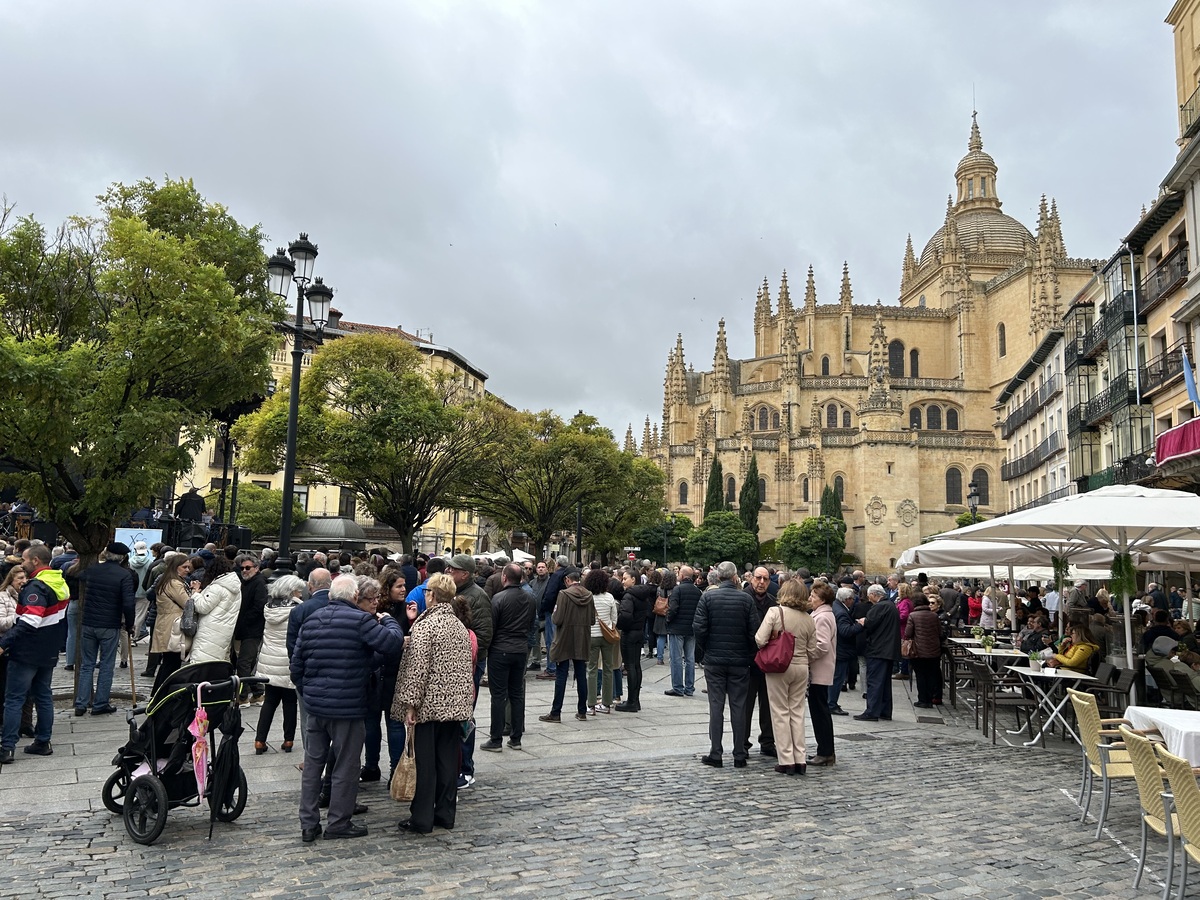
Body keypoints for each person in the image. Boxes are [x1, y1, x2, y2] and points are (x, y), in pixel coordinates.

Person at [293, 573, 403, 842]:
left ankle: (308, 824)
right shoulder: (360, 620)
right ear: (355, 597)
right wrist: (389, 620)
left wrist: (309, 693)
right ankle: (338, 822)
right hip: (348, 706)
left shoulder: (311, 620)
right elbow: (391, 643)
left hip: (317, 707)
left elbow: (296, 666)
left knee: (313, 765)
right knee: (346, 765)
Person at [392, 572, 474, 834]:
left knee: (424, 763)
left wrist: (410, 705)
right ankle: (445, 813)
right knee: (448, 762)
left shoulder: (425, 626)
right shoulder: (459, 626)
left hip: (429, 705)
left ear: (432, 595)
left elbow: (417, 670)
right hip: (454, 707)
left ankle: (422, 817)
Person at [0, 545, 69, 763]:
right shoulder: (59, 582)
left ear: (36, 561)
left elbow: (30, 621)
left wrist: (5, 642)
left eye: (25, 559)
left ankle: (7, 747)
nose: (22, 562)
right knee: (43, 696)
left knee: (13, 699)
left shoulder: (35, 588)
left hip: (27, 651)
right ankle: (42, 741)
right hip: (48, 650)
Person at [693, 561, 760, 769]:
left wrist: (705, 651)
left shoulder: (708, 597)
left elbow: (699, 628)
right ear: (734, 577)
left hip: (715, 660)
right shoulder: (746, 599)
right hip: (740, 661)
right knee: (739, 706)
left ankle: (716, 752)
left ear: (718, 577)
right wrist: (748, 654)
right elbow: (754, 632)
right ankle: (739, 753)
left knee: (716, 705)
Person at [753, 578, 817, 774]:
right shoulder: (808, 618)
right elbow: (813, 651)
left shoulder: (775, 612)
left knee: (780, 712)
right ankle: (800, 758)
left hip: (779, 666)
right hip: (801, 667)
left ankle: (786, 759)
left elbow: (759, 639)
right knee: (797, 712)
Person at [445, 554, 492, 790]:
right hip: (456, 663)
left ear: (464, 573)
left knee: (464, 716)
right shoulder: (454, 591)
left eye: (452, 569)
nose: (447, 571)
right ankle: (455, 765)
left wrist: (464, 655)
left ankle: (466, 769)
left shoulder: (477, 596)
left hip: (469, 663)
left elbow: (484, 636)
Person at [75, 542, 136, 716]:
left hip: (89, 621)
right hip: (109, 624)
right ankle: (100, 703)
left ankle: (81, 703)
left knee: (87, 664)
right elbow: (128, 603)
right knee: (107, 665)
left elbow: (78, 575)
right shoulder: (124, 575)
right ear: (123, 557)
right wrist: (130, 624)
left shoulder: (93, 570)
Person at [481, 563, 536, 751]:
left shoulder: (498, 598)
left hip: (500, 649)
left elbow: (492, 626)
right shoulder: (530, 598)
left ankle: (496, 739)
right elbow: (530, 624)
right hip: (520, 649)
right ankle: (516, 737)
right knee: (517, 694)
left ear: (504, 577)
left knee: (498, 695)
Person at [255, 574, 305, 754]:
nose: (301, 593)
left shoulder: (268, 607)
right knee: (290, 702)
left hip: (269, 659)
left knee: (269, 701)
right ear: (292, 591)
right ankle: (288, 740)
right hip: (287, 660)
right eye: (298, 590)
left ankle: (260, 740)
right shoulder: (297, 609)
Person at [539, 568, 594, 723]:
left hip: (565, 638)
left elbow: (557, 619)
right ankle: (582, 710)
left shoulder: (564, 594)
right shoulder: (589, 595)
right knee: (581, 673)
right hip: (582, 638)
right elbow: (592, 620)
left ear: (567, 580)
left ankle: (556, 712)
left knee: (561, 674)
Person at [743, 566, 779, 757]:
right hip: (748, 659)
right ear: (751, 579)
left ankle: (767, 741)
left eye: (766, 579)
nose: (762, 582)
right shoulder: (743, 599)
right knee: (746, 704)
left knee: (768, 704)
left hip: (768, 661)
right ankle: (743, 742)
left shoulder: (773, 603)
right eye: (759, 578)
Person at [854, 584, 900, 723]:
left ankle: (872, 711)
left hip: (878, 649)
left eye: (870, 596)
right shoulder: (890, 605)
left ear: (874, 594)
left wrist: (863, 621)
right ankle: (884, 710)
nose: (869, 598)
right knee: (884, 682)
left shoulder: (880, 607)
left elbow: (871, 623)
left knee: (874, 681)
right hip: (888, 649)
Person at [184, 555, 241, 665]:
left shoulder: (217, 587)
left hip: (209, 632)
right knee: (218, 663)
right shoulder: (235, 587)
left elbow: (203, 607)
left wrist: (195, 593)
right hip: (224, 630)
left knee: (202, 664)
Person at [150, 553, 192, 694]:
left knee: (169, 663)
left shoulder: (169, 580)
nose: (187, 570)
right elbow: (187, 603)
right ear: (176, 567)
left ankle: (158, 694)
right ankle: (161, 695)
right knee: (171, 663)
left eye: (188, 567)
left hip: (167, 623)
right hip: (172, 626)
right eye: (184, 567)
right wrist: (196, 592)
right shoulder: (174, 583)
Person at [806, 581, 837, 765]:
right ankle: (825, 750)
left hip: (819, 670)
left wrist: (807, 656)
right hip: (820, 670)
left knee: (820, 712)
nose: (810, 598)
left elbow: (822, 645)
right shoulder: (821, 614)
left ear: (822, 599)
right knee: (819, 710)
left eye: (813, 596)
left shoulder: (823, 617)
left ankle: (825, 751)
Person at [615, 566, 654, 712]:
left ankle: (632, 701)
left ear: (633, 579)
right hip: (639, 631)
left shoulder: (629, 596)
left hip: (630, 632)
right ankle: (635, 699)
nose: (623, 581)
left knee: (630, 666)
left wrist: (618, 623)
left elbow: (625, 616)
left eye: (625, 579)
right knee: (636, 666)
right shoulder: (642, 594)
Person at [233, 553, 268, 704]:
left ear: (256, 568)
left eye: (248, 568)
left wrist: (244, 621)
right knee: (248, 662)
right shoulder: (246, 582)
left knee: (244, 663)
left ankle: (242, 696)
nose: (244, 570)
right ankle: (257, 692)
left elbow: (259, 606)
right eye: (242, 568)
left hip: (252, 629)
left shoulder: (259, 583)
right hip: (245, 628)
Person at [584, 568, 619, 715]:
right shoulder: (610, 597)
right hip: (607, 636)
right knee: (608, 668)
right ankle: (606, 703)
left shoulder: (587, 597)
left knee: (592, 669)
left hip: (592, 635)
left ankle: (591, 704)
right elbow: (614, 618)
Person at [665, 565, 702, 698]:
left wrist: (668, 620)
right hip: (691, 628)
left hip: (677, 627)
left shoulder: (677, 590)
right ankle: (689, 687)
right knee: (690, 659)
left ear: (682, 575)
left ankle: (678, 687)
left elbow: (673, 608)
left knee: (676, 658)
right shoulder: (697, 591)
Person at [904, 595, 943, 708]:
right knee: (931, 675)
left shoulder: (912, 615)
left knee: (920, 675)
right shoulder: (934, 615)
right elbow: (940, 632)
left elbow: (908, 633)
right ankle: (930, 699)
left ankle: (923, 699)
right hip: (934, 650)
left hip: (918, 650)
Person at [828, 586, 857, 716]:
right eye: (852, 599)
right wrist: (859, 626)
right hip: (841, 650)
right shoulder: (841, 612)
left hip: (838, 649)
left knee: (836, 677)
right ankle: (832, 704)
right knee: (838, 678)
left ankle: (831, 702)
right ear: (847, 599)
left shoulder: (836, 606)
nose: (854, 601)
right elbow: (845, 631)